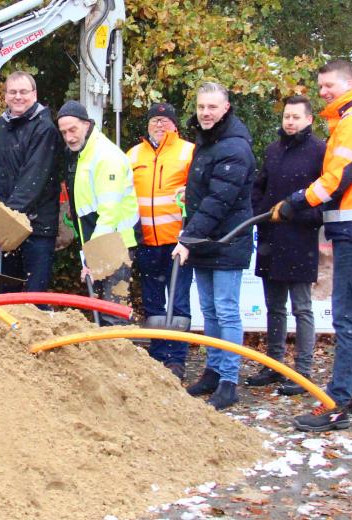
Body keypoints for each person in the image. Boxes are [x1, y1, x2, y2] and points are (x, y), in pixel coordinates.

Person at [273, 60, 352, 432]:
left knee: (348, 317)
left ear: (349, 83)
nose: (323, 91)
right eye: (321, 86)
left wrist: (298, 200)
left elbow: (338, 177)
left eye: (329, 85)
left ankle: (338, 402)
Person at [173, 83, 256, 410]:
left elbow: (219, 201)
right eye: (201, 107)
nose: (205, 113)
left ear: (226, 108)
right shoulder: (207, 143)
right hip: (207, 241)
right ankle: (213, 370)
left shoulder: (234, 147)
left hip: (226, 241)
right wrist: (188, 193)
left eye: (212, 107)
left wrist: (186, 238)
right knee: (209, 311)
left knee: (225, 310)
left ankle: (228, 381)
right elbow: (208, 192)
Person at [247, 95, 326, 396]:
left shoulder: (320, 151)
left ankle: (303, 371)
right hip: (271, 238)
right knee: (274, 307)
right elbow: (260, 187)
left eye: (296, 117)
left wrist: (301, 215)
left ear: (308, 119)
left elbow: (325, 196)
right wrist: (261, 213)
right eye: (286, 117)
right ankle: (274, 364)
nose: (290, 122)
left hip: (301, 239)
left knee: (302, 308)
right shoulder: (273, 150)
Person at [127, 102, 195, 379]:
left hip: (177, 242)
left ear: (174, 125)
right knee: (153, 304)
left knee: (178, 304)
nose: (159, 125)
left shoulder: (188, 152)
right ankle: (158, 356)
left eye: (164, 121)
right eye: (154, 120)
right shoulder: (133, 155)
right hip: (146, 241)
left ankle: (177, 359)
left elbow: (198, 193)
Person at [0, 71, 63, 292]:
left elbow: (33, 180)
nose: (18, 97)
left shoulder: (45, 129)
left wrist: (5, 217)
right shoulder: (2, 126)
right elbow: (0, 168)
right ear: (5, 96)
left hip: (36, 226)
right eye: (13, 92)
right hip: (10, 225)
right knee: (8, 292)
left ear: (34, 95)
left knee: (34, 294)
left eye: (23, 92)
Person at [56, 101, 139, 321]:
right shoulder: (84, 153)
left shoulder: (105, 156)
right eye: (64, 132)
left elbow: (109, 212)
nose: (69, 137)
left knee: (113, 312)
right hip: (102, 241)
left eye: (73, 130)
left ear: (86, 124)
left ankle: (119, 353)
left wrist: (94, 258)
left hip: (115, 242)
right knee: (104, 311)